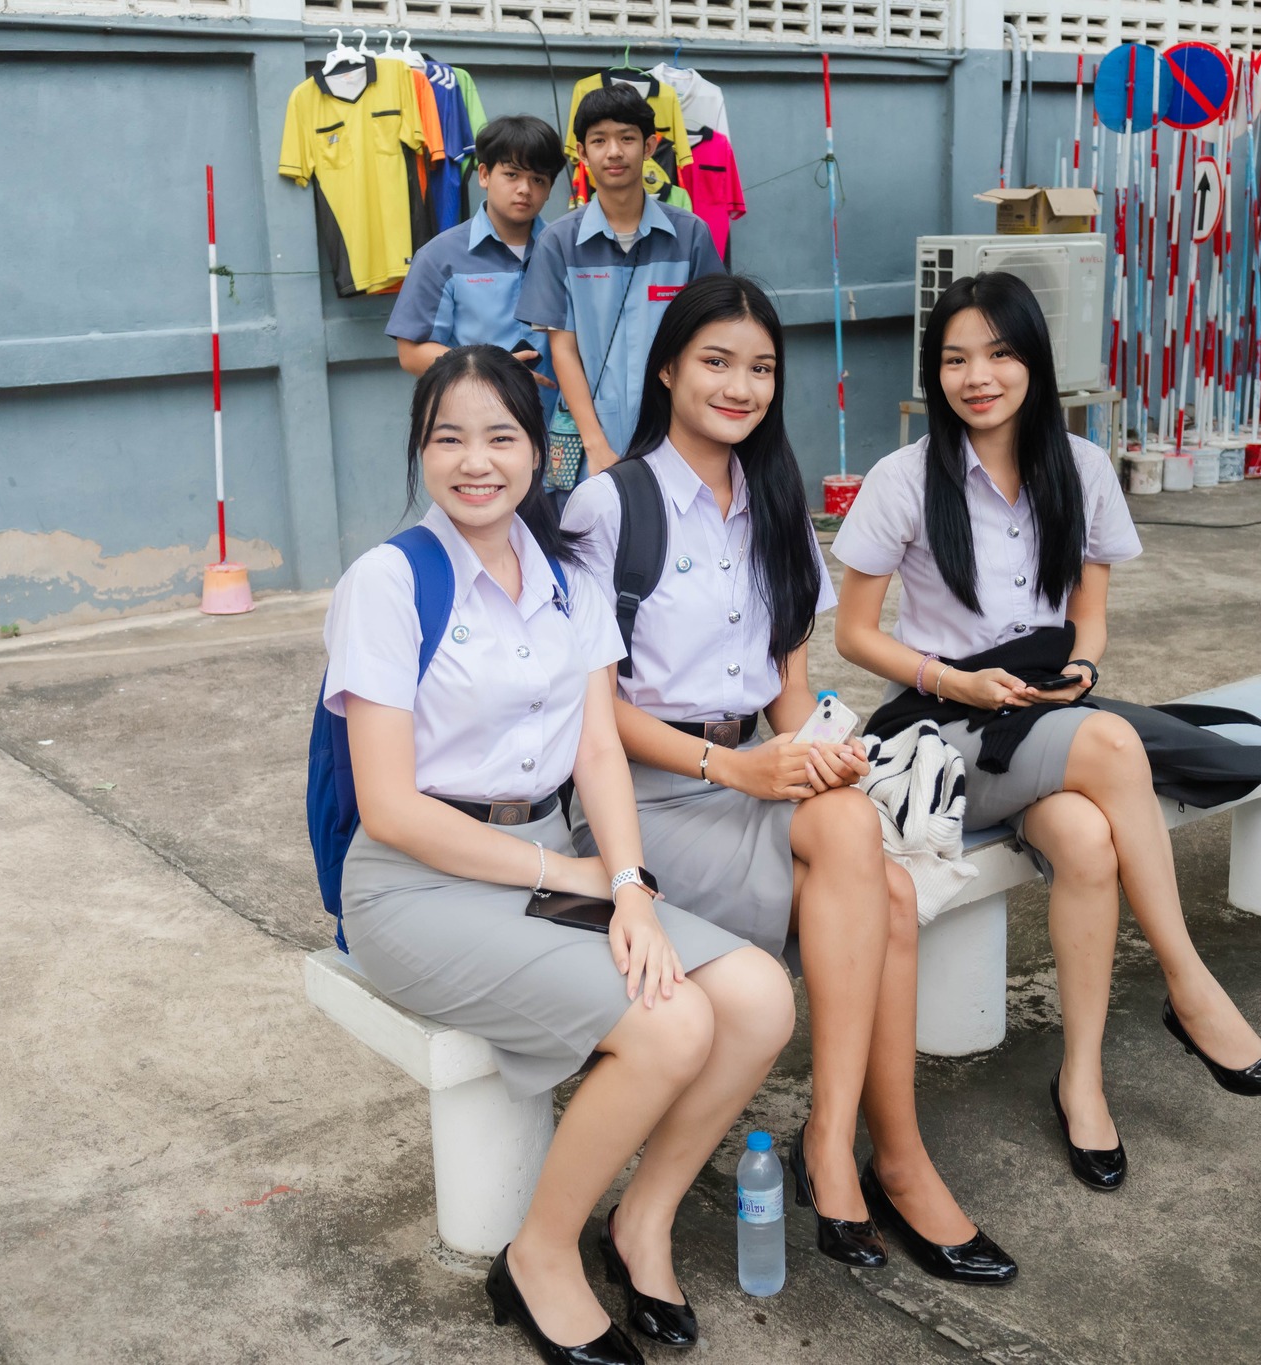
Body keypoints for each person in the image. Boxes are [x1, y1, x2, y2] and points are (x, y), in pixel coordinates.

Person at [329, 345, 793, 1364]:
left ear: (538, 454)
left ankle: (641, 1221)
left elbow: (595, 752)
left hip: (551, 854)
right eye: (446, 436)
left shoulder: (568, 583)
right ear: (420, 451)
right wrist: (570, 875)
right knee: (672, 1028)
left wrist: (627, 885)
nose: (473, 460)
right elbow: (390, 808)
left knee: (757, 997)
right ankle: (538, 1256)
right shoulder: (388, 582)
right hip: (415, 886)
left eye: (500, 436)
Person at [561, 276, 1018, 1286]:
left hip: (750, 775)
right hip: (641, 798)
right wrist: (740, 767)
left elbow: (789, 685)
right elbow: (590, 715)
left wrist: (818, 748)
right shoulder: (611, 503)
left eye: (760, 367)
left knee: (855, 833)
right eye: (716, 362)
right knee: (883, 893)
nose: (740, 385)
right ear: (668, 367)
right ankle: (863, 1155)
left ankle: (845, 1142)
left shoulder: (773, 497)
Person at [831, 273, 1261, 1193]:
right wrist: (954, 676)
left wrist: (1081, 668)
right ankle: (1190, 988)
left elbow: (1091, 617)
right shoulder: (902, 480)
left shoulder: (1079, 467)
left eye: (1001, 353)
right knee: (1116, 747)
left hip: (1047, 711)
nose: (979, 375)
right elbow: (852, 634)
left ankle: (1082, 1079)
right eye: (957, 357)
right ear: (937, 372)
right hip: (944, 726)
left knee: (1088, 840)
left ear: (1034, 362)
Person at [517, 84, 725, 489]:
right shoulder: (559, 242)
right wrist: (596, 447)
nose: (614, 152)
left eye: (627, 138)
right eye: (599, 140)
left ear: (649, 145)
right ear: (582, 153)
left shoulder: (690, 235)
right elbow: (563, 349)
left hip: (676, 440)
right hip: (590, 444)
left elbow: (713, 341)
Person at [386, 115, 566, 386]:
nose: (524, 189)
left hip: (559, 422)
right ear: (484, 175)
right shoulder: (439, 257)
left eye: (538, 180)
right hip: (475, 419)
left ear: (550, 188)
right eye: (512, 174)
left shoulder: (565, 252)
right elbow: (411, 354)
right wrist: (492, 369)